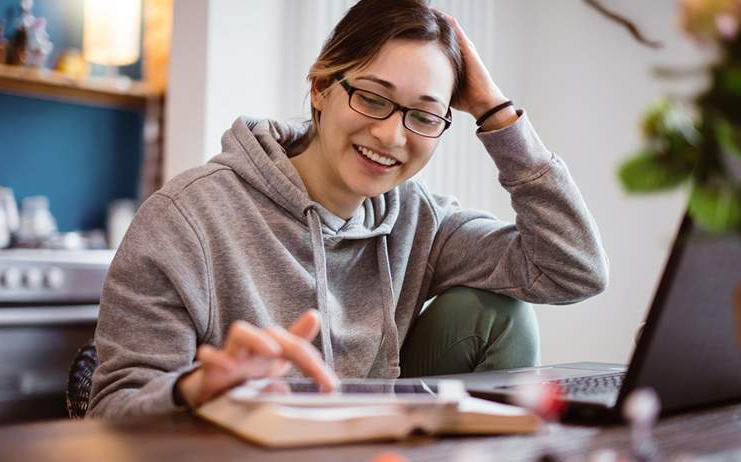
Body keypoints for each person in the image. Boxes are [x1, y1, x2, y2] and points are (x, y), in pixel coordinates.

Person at [87, 0, 608, 418]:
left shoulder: (417, 221)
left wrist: (497, 115)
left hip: (374, 446)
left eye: (424, 116)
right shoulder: (186, 218)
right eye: (372, 98)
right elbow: (111, 412)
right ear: (320, 88)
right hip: (240, 449)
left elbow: (573, 268)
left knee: (498, 312)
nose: (391, 135)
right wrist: (196, 390)